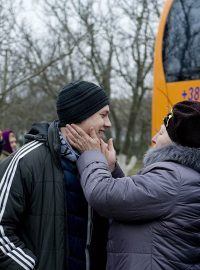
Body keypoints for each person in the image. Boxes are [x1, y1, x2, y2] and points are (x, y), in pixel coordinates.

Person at [65, 100, 200, 270]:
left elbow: (103, 195)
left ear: (178, 142)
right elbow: (133, 201)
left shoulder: (173, 179)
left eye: (161, 133)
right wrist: (112, 169)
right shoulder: (184, 177)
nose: (153, 138)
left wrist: (91, 155)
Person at [0, 80, 116, 270]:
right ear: (80, 114)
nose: (108, 123)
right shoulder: (27, 160)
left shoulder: (101, 161)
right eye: (103, 115)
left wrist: (111, 170)